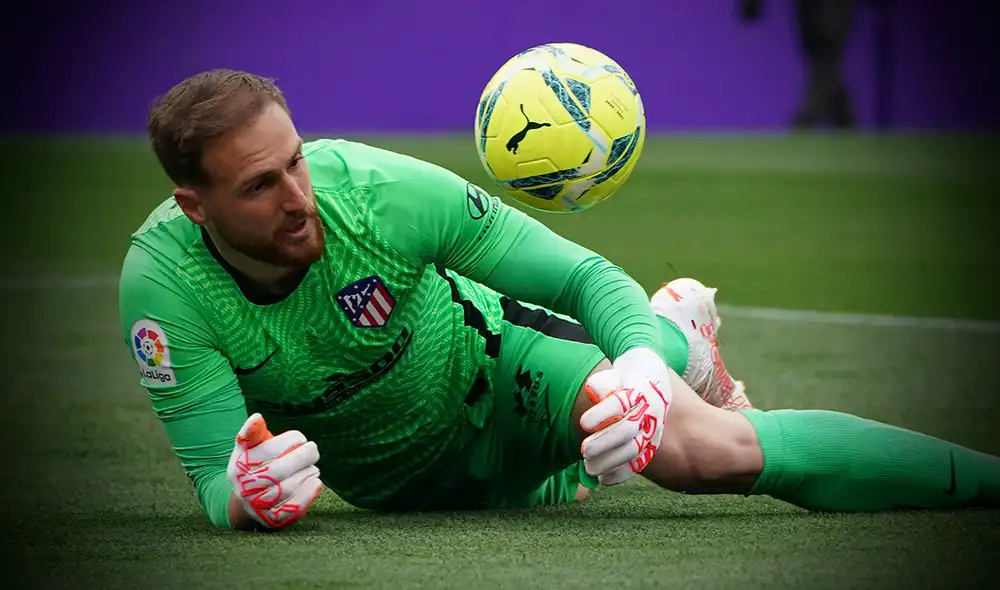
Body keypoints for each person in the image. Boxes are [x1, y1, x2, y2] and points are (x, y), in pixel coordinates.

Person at [119, 69, 1000, 531]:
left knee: (705, 454)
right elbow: (212, 482)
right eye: (260, 186)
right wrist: (247, 499)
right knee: (576, 485)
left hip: (500, 369)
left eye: (298, 160)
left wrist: (643, 374)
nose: (298, 196)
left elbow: (582, 278)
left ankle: (666, 347)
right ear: (196, 206)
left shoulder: (376, 191)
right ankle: (675, 335)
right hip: (419, 495)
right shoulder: (164, 290)